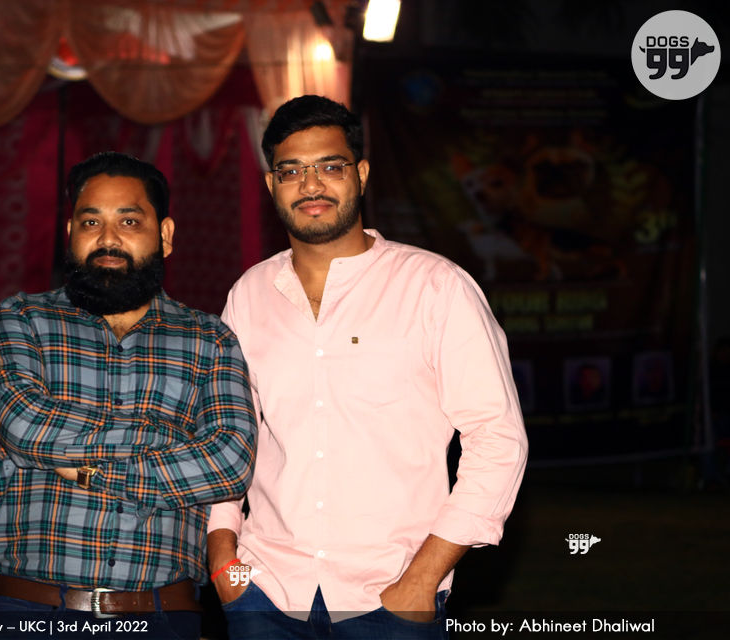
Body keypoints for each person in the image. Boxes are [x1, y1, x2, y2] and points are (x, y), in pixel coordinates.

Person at [207, 95, 529, 639]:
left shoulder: (435, 287)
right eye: (292, 171)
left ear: (360, 174)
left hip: (390, 597)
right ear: (271, 185)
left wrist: (421, 580)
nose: (311, 185)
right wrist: (224, 561)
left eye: (329, 167)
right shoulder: (249, 294)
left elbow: (497, 439)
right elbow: (227, 436)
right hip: (265, 594)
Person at [0, 152, 257, 639]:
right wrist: (164, 439)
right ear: (70, 232)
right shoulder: (21, 320)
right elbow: (24, 426)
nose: (108, 238)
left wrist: (89, 470)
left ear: (165, 235)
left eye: (129, 221)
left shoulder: (209, 339)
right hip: (33, 613)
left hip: (163, 618)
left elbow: (230, 461)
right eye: (91, 222)